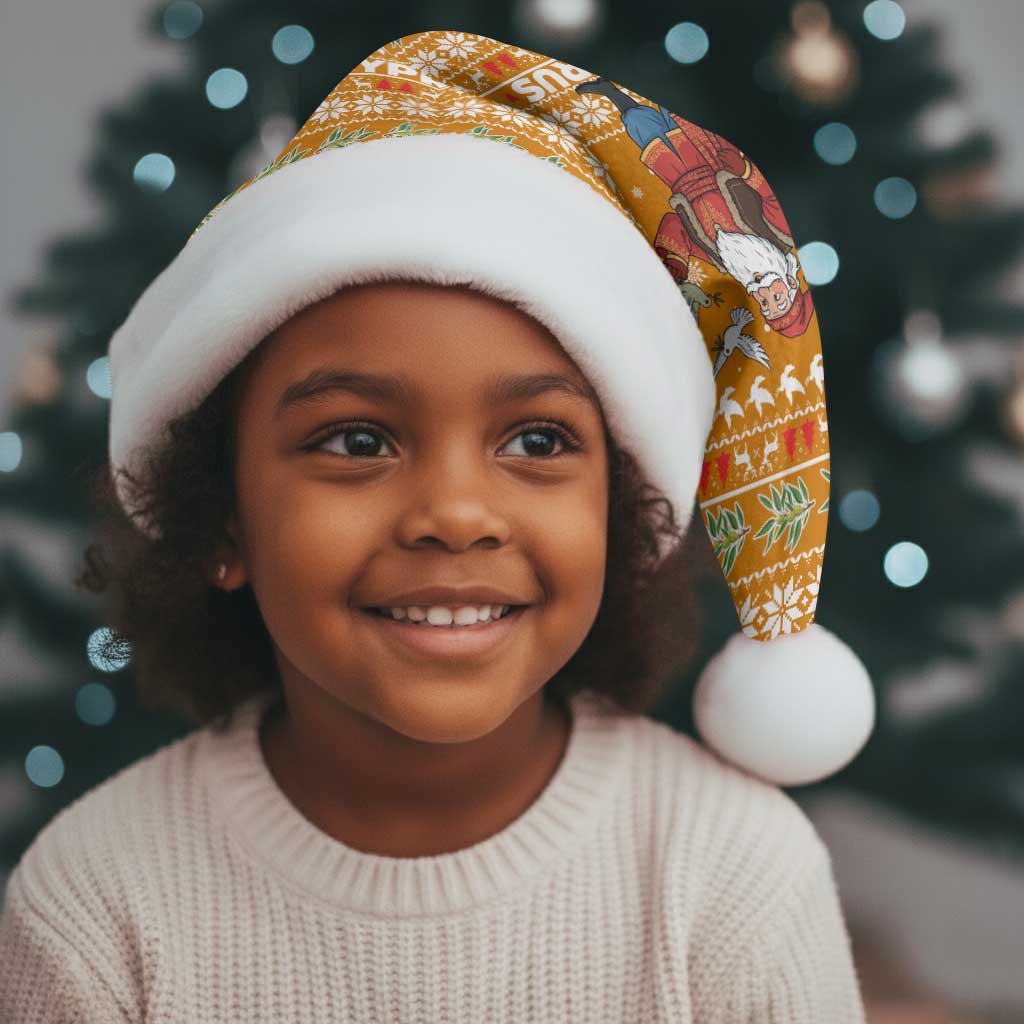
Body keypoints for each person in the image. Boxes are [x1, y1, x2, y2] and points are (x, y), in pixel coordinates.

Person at [0, 29, 874, 1022]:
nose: (456, 514)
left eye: (538, 441)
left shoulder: (730, 872)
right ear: (220, 518)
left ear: (621, 511)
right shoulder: (97, 899)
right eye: (358, 440)